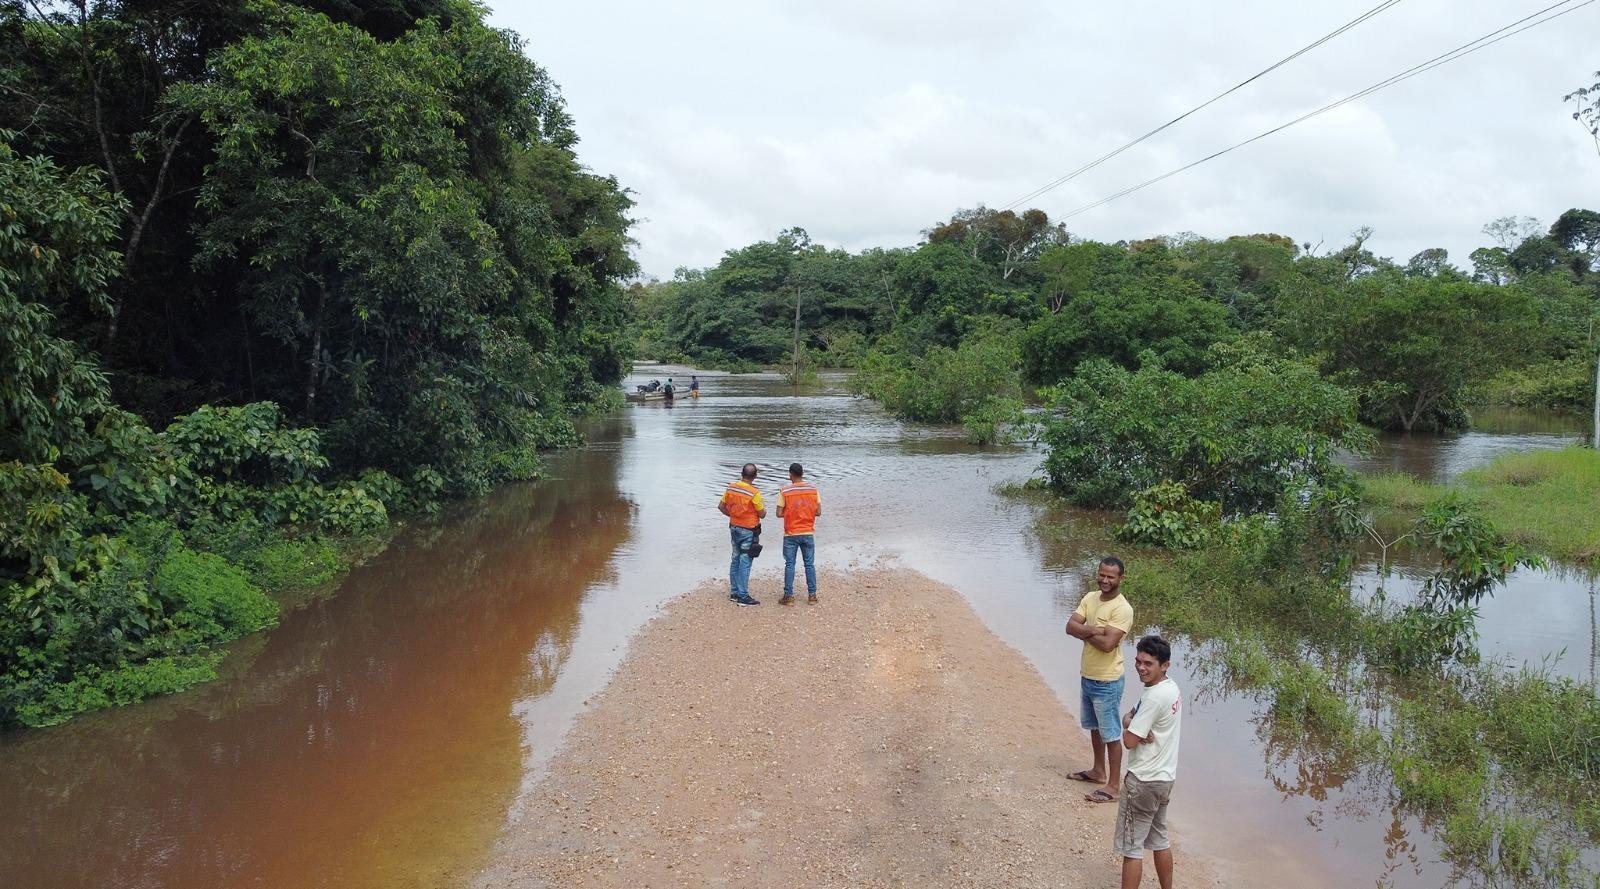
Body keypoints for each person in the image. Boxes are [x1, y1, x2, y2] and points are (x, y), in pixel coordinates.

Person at [1064, 556, 1134, 803]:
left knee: (1111, 733)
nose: (1105, 580)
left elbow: (1107, 645)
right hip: (1088, 675)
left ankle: (1114, 786)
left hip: (1108, 680)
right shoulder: (1090, 598)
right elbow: (1069, 627)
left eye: (1110, 576)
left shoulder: (1122, 609)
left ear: (1120, 579)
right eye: (1102, 575)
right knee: (1094, 727)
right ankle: (1097, 771)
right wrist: (1095, 629)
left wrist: (1084, 631)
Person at [1117, 635, 1182, 889]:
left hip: (1143, 780)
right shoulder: (1170, 688)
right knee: (1160, 839)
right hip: (1165, 778)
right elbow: (1131, 717)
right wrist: (1131, 722)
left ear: (1164, 665)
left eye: (1148, 663)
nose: (1141, 668)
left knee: (1132, 848)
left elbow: (1129, 741)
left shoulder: (1154, 698)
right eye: (1138, 661)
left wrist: (1129, 726)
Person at [718, 463, 765, 605]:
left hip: (734, 527)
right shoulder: (754, 493)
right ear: (755, 476)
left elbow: (721, 506)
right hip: (748, 530)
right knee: (745, 561)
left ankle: (734, 593)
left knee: (735, 558)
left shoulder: (731, 488)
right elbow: (762, 514)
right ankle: (743, 596)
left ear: (741, 474)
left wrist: (733, 516)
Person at [775, 463, 821, 605]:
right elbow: (818, 512)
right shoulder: (813, 490)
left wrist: (792, 513)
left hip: (791, 533)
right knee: (809, 564)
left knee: (790, 564)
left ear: (790, 475)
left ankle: (788, 596)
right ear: (802, 473)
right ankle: (812, 596)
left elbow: (778, 513)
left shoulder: (784, 491)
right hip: (807, 532)